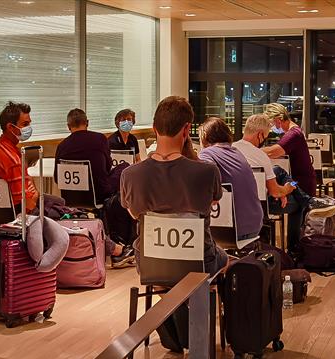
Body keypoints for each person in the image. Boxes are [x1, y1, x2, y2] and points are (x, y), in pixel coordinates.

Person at [120, 96, 228, 277]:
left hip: (149, 261)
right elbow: (214, 201)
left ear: (155, 128)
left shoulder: (129, 174)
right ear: (186, 129)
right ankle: (202, 301)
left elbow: (133, 213)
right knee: (224, 257)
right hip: (199, 261)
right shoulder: (208, 171)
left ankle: (171, 299)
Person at [54, 108, 134, 267]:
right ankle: (123, 241)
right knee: (124, 167)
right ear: (87, 123)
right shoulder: (99, 139)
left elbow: (58, 178)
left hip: (70, 197)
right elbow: (107, 167)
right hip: (99, 193)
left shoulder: (62, 146)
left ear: (68, 126)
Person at [232, 114, 310, 250]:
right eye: (266, 136)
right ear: (260, 135)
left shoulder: (231, 149)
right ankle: (294, 249)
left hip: (234, 206)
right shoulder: (261, 157)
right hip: (260, 207)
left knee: (278, 170)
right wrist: (286, 190)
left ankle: (305, 198)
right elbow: (275, 191)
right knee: (298, 204)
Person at [198, 117, 264, 242]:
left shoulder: (207, 153)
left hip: (234, 230)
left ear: (205, 136)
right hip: (254, 225)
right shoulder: (236, 152)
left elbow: (205, 176)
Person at [262, 103, 317, 197]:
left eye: (271, 124)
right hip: (298, 181)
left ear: (278, 120)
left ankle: (308, 202)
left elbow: (272, 152)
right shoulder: (294, 132)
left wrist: (251, 150)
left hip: (300, 184)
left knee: (270, 199)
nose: (271, 128)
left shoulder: (293, 134)